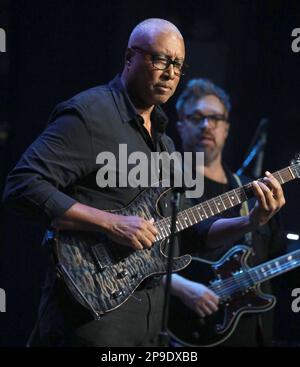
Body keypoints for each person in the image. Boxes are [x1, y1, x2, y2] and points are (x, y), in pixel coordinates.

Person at [3, 19, 285, 347]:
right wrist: (112, 224)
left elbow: (190, 233)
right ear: (129, 58)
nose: (169, 73)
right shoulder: (90, 114)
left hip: (150, 325)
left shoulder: (165, 142)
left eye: (177, 64)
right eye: (159, 59)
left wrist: (250, 220)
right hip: (91, 316)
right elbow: (22, 185)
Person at [176, 78, 284, 346]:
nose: (206, 126)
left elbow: (278, 259)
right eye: (196, 117)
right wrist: (180, 288)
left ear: (226, 129)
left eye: (215, 118)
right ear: (180, 125)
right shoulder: (168, 190)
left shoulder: (252, 190)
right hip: (188, 335)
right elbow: (139, 263)